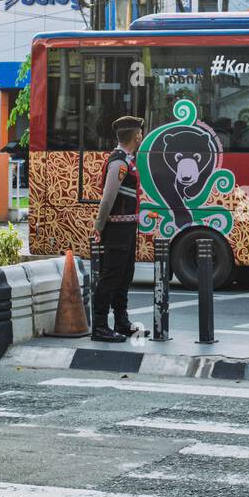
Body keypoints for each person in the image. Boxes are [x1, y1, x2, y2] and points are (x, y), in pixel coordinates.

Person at [92, 115, 145, 342]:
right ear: (135, 136)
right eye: (140, 133)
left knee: (124, 276)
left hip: (127, 228)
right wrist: (99, 226)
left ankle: (121, 322)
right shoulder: (119, 163)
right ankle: (100, 326)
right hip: (116, 229)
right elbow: (107, 199)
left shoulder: (128, 160)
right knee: (111, 276)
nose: (142, 135)